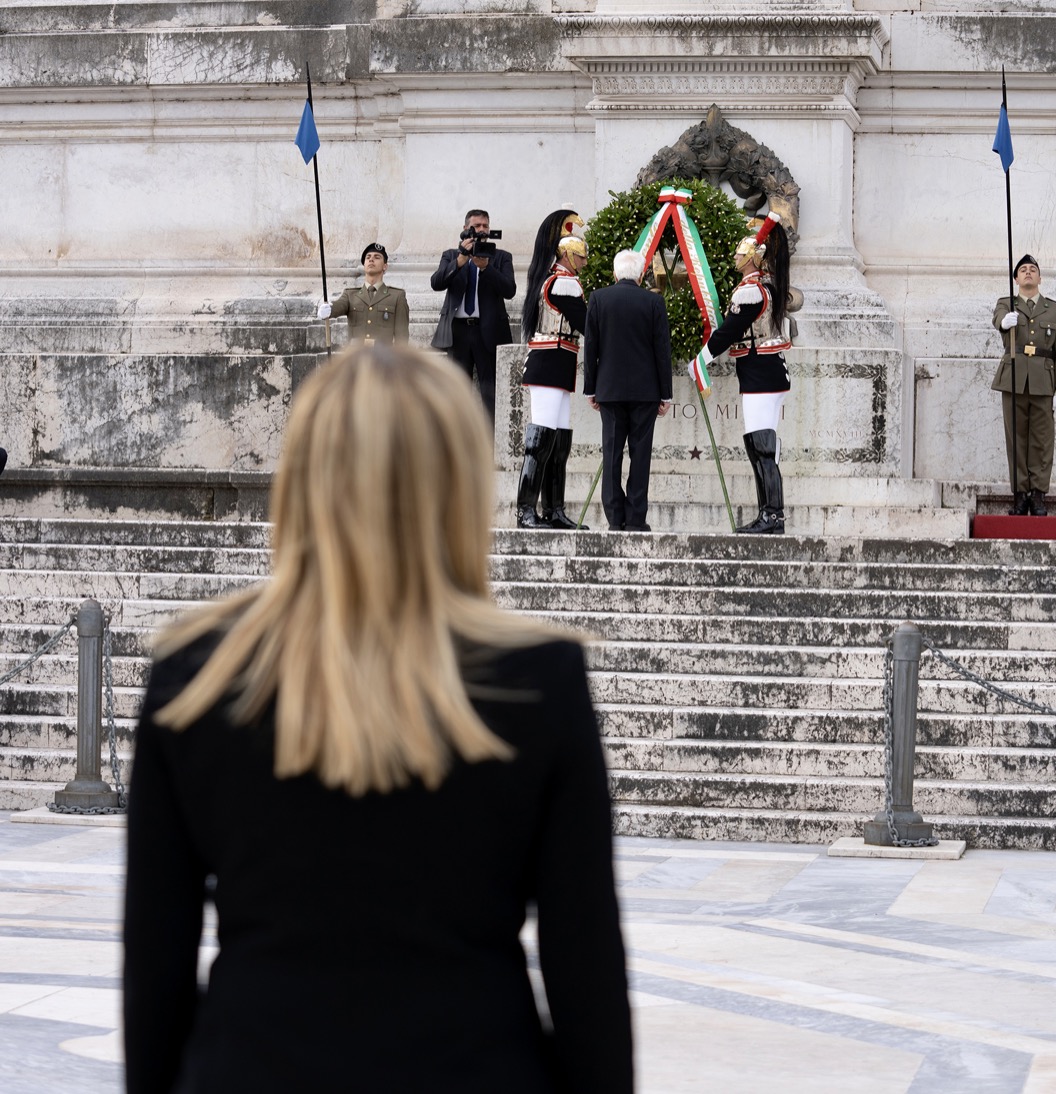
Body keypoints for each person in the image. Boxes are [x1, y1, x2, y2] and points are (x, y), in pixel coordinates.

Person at [123, 343, 633, 1094]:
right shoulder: (537, 680)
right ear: (458, 484)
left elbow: (154, 976)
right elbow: (586, 976)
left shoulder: (197, 677)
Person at [686, 212, 793, 535]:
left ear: (751, 258)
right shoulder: (766, 288)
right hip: (767, 372)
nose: (734, 256)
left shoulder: (750, 292)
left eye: (738, 252)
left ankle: (772, 516)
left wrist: (701, 358)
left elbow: (728, 332)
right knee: (763, 446)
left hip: (760, 373)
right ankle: (770, 515)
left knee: (762, 446)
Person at [583, 249, 672, 532]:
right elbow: (662, 352)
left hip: (609, 389)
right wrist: (665, 393)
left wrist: (590, 388)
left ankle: (614, 517)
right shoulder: (654, 301)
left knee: (612, 455)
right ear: (642, 274)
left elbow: (591, 349)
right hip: (646, 391)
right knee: (640, 454)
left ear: (615, 273)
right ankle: (635, 518)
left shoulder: (598, 298)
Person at [516, 209, 589, 530]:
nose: (584, 263)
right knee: (541, 438)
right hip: (549, 361)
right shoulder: (564, 284)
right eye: (581, 256)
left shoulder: (558, 279)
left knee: (558, 440)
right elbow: (586, 324)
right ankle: (525, 511)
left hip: (559, 362)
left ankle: (554, 510)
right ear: (569, 255)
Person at [992, 254, 1056, 516]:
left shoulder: (1055, 310)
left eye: (1032, 269)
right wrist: (1004, 322)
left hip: (1043, 383)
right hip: (1013, 380)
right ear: (1016, 278)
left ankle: (1038, 495)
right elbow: (997, 319)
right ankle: (1019, 494)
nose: (1027, 272)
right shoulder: (1006, 304)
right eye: (1023, 270)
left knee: (1042, 441)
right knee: (1016, 439)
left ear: (1039, 277)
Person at [431, 208, 517, 422]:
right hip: (458, 332)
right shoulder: (451, 255)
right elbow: (436, 283)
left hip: (487, 331)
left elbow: (510, 290)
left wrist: (487, 268)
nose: (481, 230)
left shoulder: (501, 257)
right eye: (476, 226)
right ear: (465, 229)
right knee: (456, 391)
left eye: (485, 226)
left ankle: (489, 445)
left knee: (490, 392)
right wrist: (460, 261)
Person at [316, 242, 409, 345]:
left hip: (384, 358)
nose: (371, 259)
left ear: (385, 266)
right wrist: (329, 309)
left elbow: (402, 338)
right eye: (368, 257)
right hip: (356, 358)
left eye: (377, 257)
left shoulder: (397, 296)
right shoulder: (350, 295)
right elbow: (340, 305)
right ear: (364, 265)